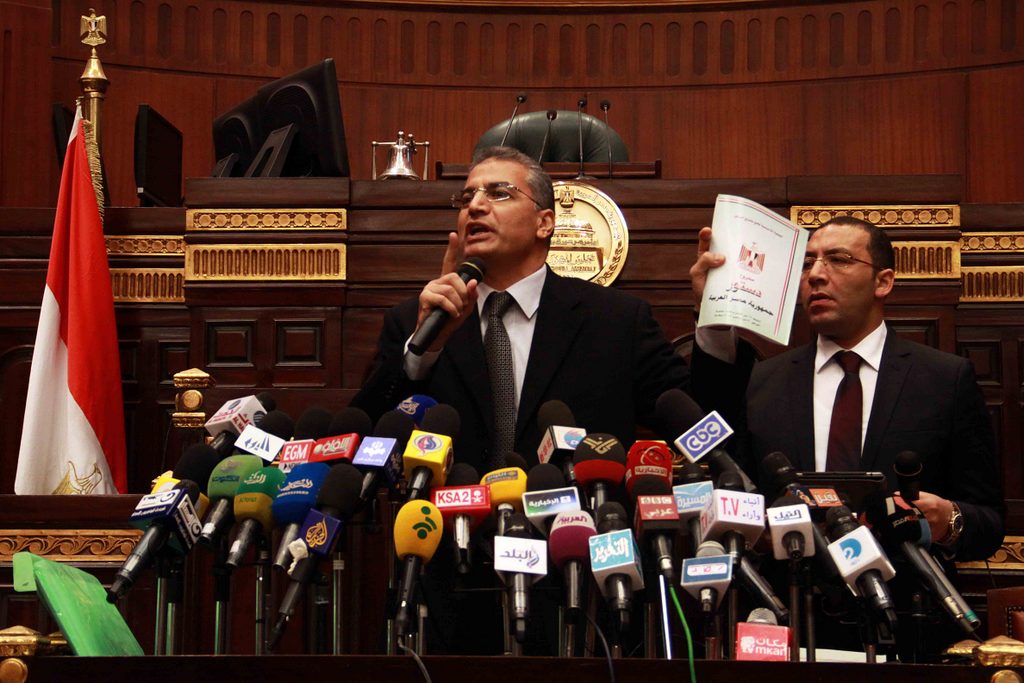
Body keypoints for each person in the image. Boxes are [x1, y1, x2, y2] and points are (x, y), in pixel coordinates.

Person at [690, 215, 1004, 657]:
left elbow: (988, 521)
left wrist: (947, 520)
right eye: (808, 263)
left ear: (883, 282)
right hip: (788, 623)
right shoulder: (763, 381)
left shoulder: (943, 379)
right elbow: (717, 452)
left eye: (838, 260)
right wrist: (715, 309)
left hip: (907, 626)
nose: (816, 275)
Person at [352, 146, 734, 472]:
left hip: (576, 531)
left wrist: (716, 315)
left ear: (545, 223)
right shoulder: (414, 322)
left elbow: (706, 428)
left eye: (499, 194)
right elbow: (366, 439)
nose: (476, 206)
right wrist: (424, 351)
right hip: (448, 531)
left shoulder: (617, 321)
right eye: (466, 199)